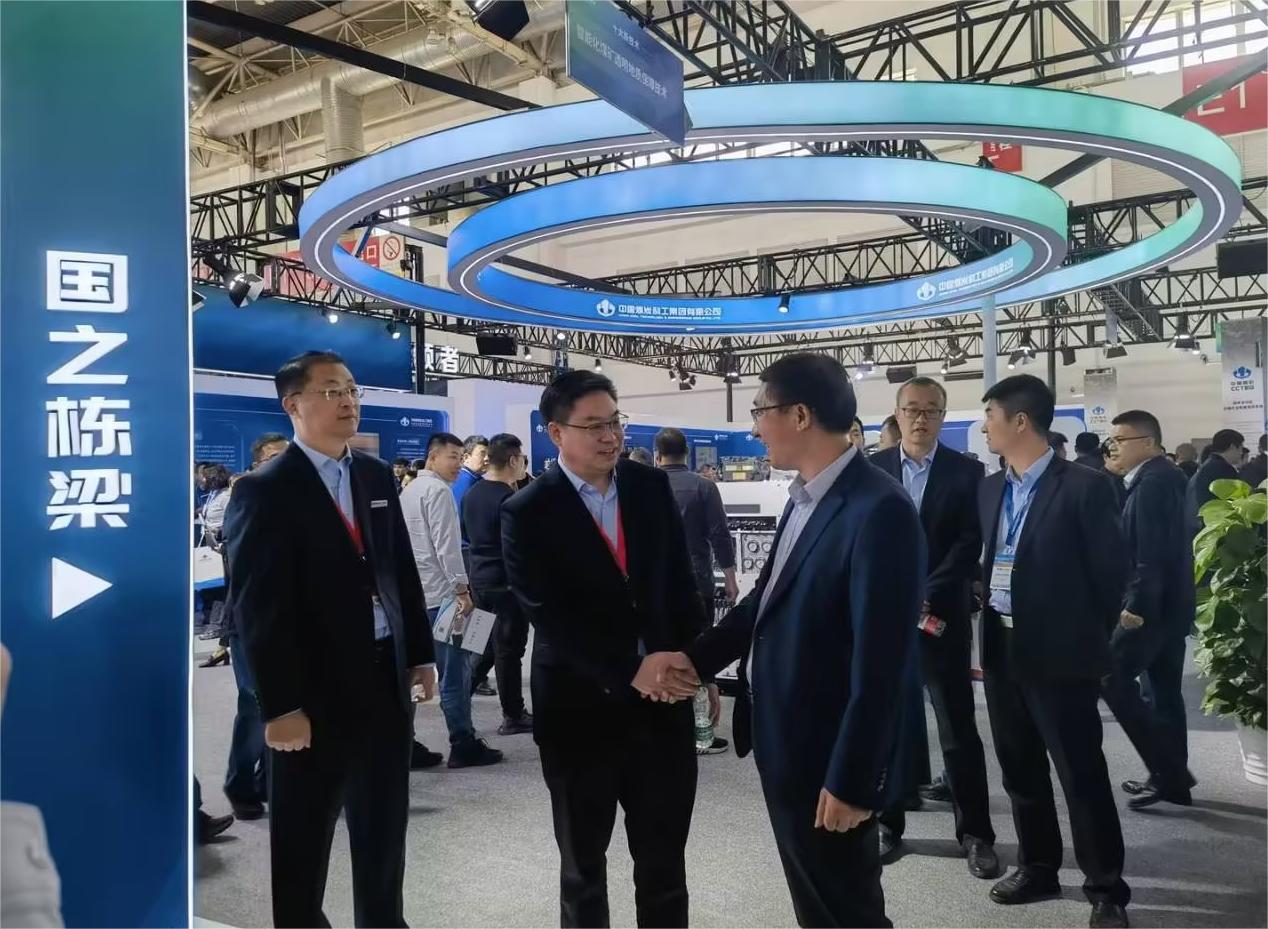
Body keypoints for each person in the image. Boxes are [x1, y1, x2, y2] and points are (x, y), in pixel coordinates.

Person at [649, 352, 925, 928]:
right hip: (786, 740)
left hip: (828, 755)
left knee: (845, 909)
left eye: (760, 411)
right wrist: (695, 661)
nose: (754, 428)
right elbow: (764, 602)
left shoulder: (879, 510)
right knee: (816, 901)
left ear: (800, 415)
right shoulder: (805, 498)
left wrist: (854, 780)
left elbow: (883, 665)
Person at [223, 350, 437, 928]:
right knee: (303, 832)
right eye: (331, 391)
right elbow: (258, 607)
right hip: (312, 688)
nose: (347, 401)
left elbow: (398, 568)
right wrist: (280, 706)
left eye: (351, 390)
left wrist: (418, 653)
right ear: (293, 404)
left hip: (383, 675)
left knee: (383, 823)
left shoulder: (374, 474)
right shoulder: (264, 489)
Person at [501, 370, 706, 928]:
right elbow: (548, 613)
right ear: (555, 432)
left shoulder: (649, 487)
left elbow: (680, 584)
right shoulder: (528, 510)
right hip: (578, 710)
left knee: (664, 864)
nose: (610, 436)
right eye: (593, 426)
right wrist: (630, 670)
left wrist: (696, 664)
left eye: (615, 422)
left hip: (662, 706)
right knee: (583, 867)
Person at [977, 374, 1129, 929]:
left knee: (1080, 774)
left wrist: (1083, 641)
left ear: (1020, 421)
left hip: (1063, 654)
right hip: (1002, 646)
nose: (985, 428)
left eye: (990, 416)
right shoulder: (990, 489)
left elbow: (1111, 577)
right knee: (1019, 768)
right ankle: (1038, 866)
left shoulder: (1086, 487)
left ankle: (1105, 888)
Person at [871, 377, 999, 879]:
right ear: (897, 413)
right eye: (912, 409)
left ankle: (976, 834)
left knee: (956, 727)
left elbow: (969, 543)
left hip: (939, 614)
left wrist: (924, 589)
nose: (920, 418)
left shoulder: (967, 472)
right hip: (884, 618)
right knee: (885, 722)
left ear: (943, 416)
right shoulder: (873, 468)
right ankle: (888, 821)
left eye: (931, 410)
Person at [1101, 411, 1196, 812]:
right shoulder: (1162, 477)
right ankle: (1171, 778)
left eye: (1119, 441)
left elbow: (1150, 555)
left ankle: (1169, 771)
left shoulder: (1153, 484)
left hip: (1150, 609)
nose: (1113, 448)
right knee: (1163, 691)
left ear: (1148, 443)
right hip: (1170, 606)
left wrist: (1134, 609)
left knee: (1112, 678)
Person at [400, 433, 503, 769]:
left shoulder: (409, 490)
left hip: (416, 596)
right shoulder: (438, 492)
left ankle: (406, 743)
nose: (458, 464)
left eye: (461, 457)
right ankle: (463, 742)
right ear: (433, 457)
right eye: (453, 457)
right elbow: (448, 548)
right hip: (445, 598)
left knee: (415, 673)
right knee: (455, 673)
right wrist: (461, 591)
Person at [654, 427, 739, 756]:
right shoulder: (704, 487)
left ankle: (663, 729)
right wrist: (729, 577)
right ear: (687, 454)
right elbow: (720, 534)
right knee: (699, 652)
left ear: (658, 455)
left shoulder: (646, 486)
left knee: (658, 652)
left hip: (655, 586)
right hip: (697, 582)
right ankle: (701, 732)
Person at [221, 432, 291, 820]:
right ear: (258, 463)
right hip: (250, 620)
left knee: (281, 700)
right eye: (275, 457)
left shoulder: (299, 496)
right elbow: (243, 563)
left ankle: (269, 778)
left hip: (288, 618)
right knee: (254, 703)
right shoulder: (247, 493)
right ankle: (240, 783)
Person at [461, 433, 534, 736]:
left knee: (481, 644)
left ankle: (458, 697)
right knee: (508, 650)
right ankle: (513, 714)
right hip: (506, 585)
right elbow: (518, 548)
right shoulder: (510, 499)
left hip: (479, 580)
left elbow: (466, 534)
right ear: (514, 460)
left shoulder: (471, 494)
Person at [1185, 429, 1245, 538]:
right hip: (1220, 530)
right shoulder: (1223, 469)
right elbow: (1236, 500)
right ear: (1232, 447)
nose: (1241, 453)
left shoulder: (1209, 465)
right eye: (1240, 448)